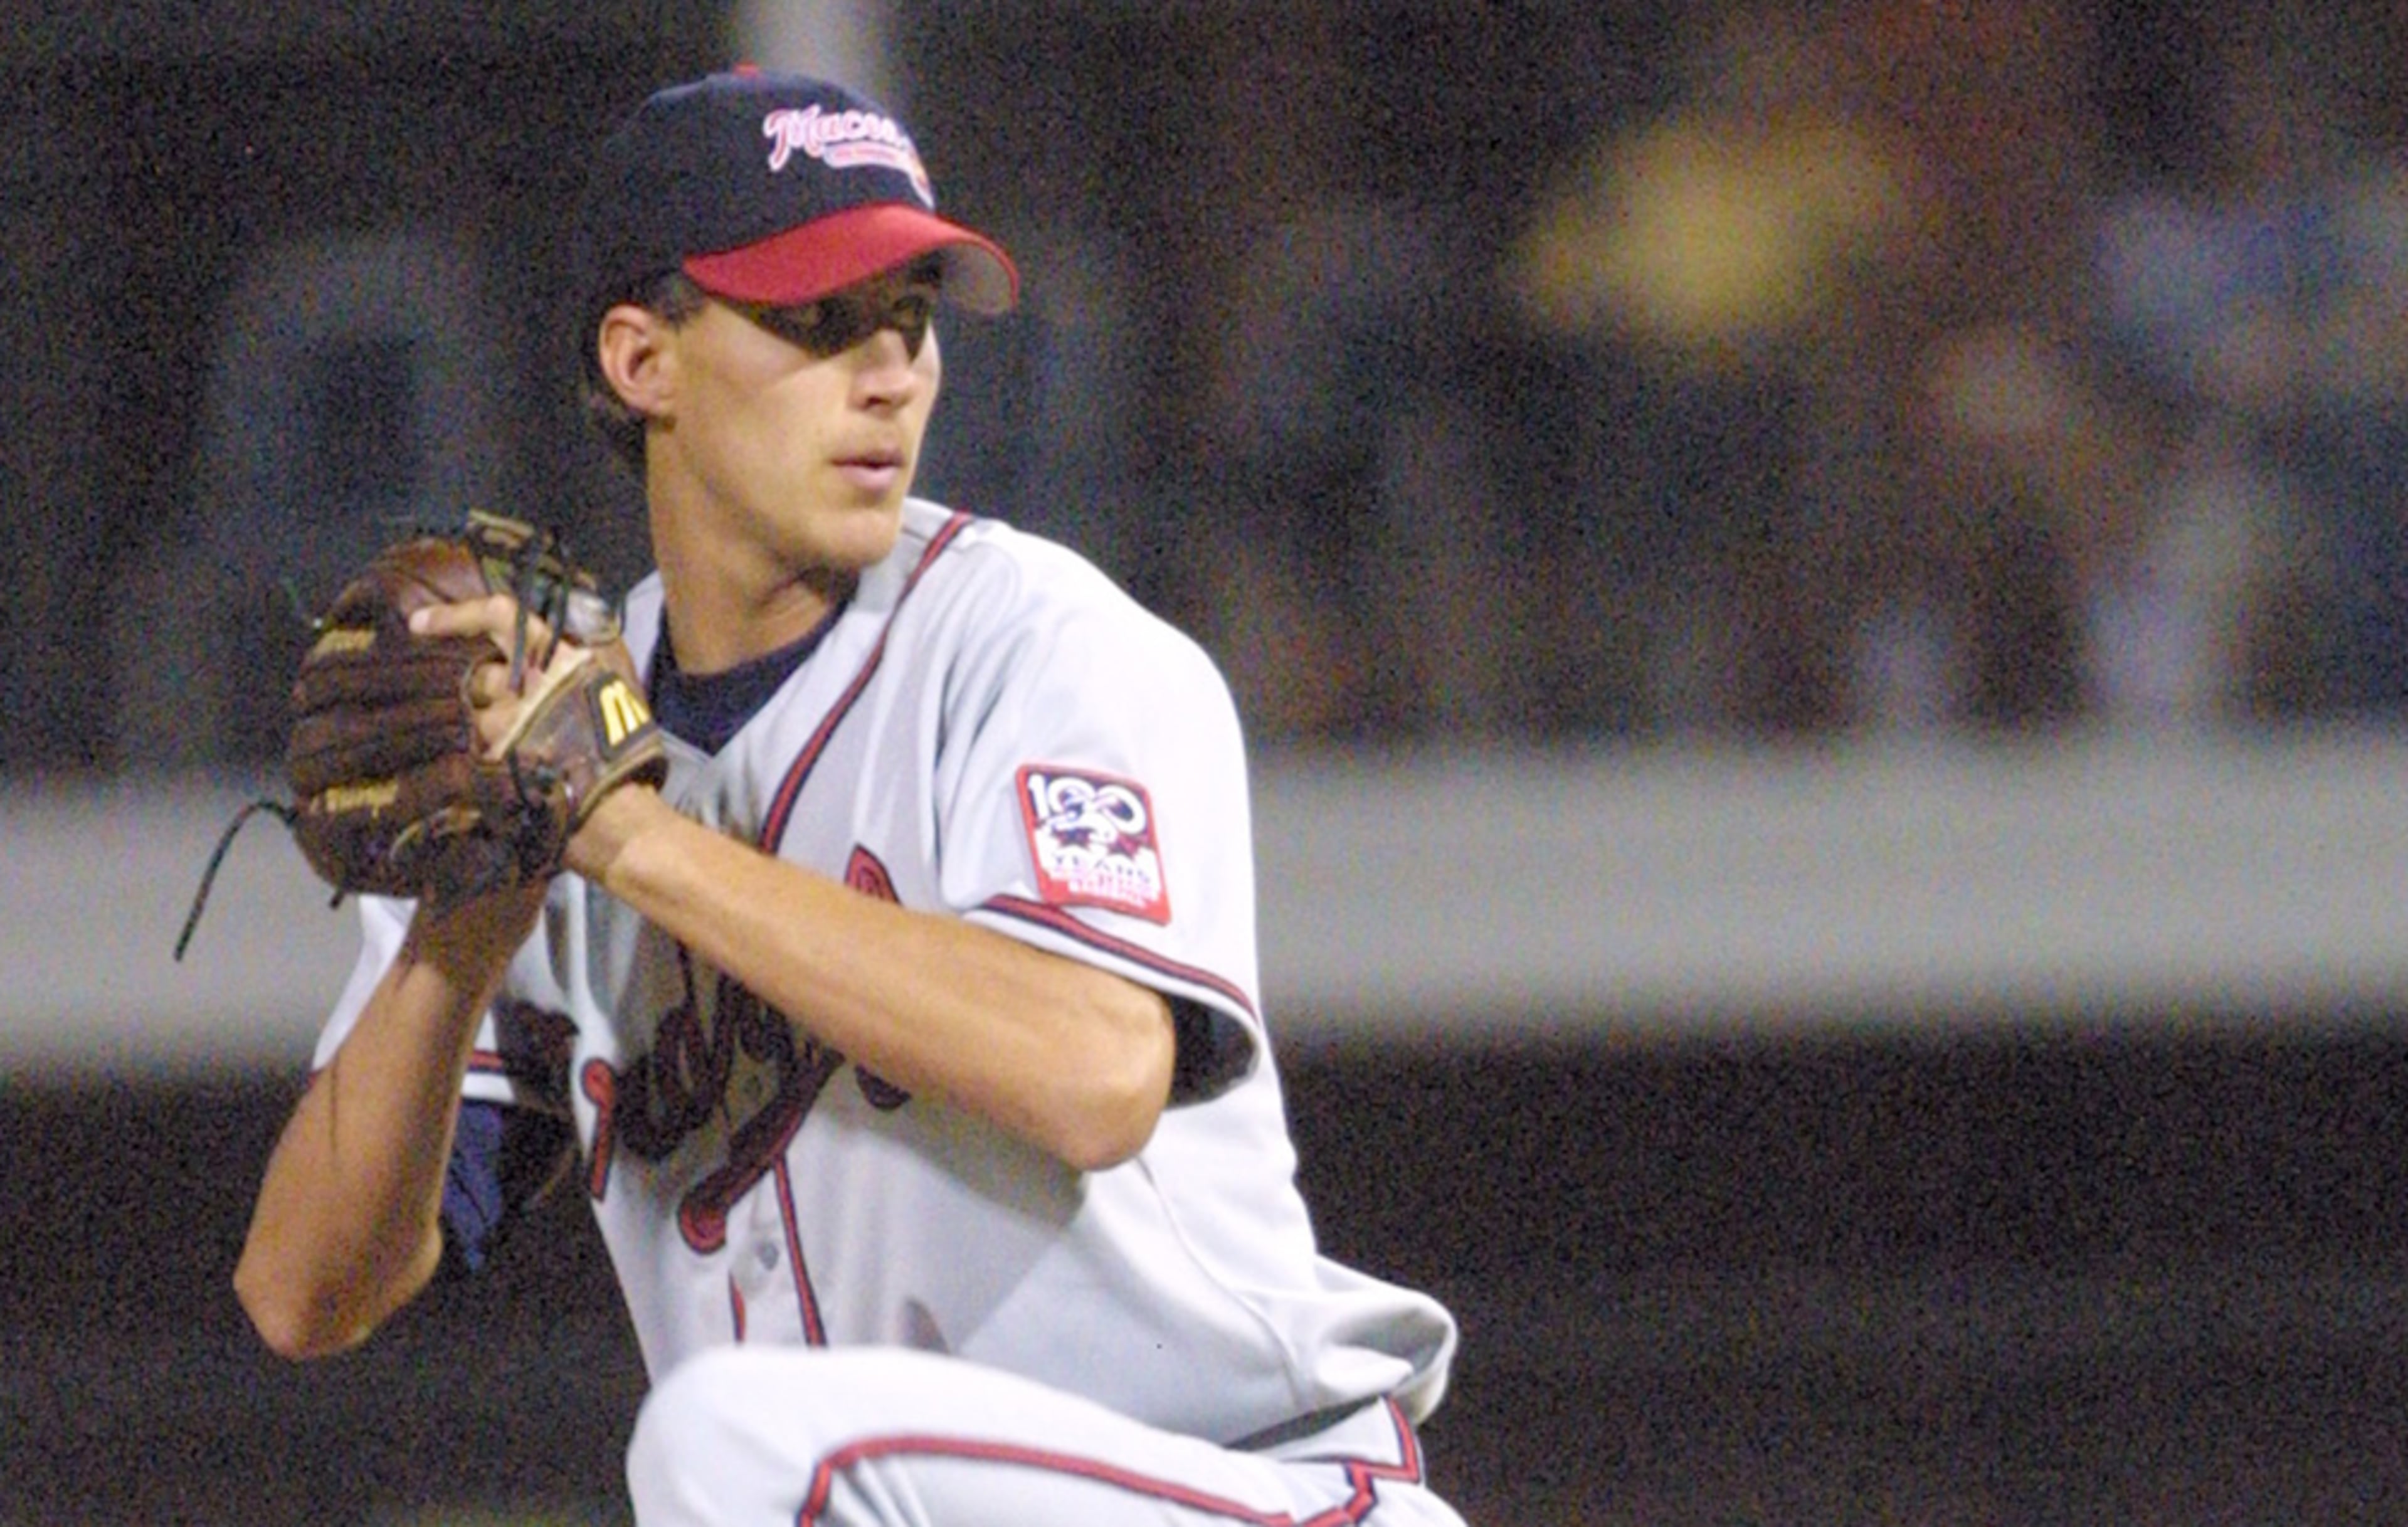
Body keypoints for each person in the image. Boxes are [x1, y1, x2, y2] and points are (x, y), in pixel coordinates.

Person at [231, 65, 1465, 1527]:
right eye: (818, 324)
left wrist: (626, 837)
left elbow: (1094, 1076)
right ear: (643, 360)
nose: (889, 374)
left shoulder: (1044, 654)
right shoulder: (551, 749)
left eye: (911, 321)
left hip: (1246, 1491)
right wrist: (458, 935)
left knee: (733, 1446)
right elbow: (305, 1294)